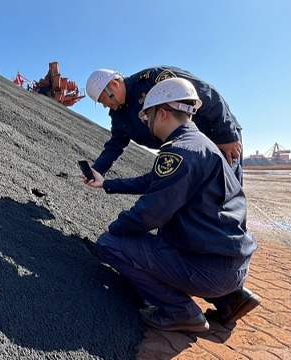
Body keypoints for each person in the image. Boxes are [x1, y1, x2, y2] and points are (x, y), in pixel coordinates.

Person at [81, 78, 260, 332]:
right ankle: (229, 301)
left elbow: (150, 214)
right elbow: (153, 181)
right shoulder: (201, 145)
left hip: (211, 268)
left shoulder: (179, 151)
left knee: (110, 244)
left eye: (147, 117)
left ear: (162, 113)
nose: (146, 124)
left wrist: (117, 226)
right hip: (231, 263)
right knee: (163, 243)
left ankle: (181, 312)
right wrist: (107, 184)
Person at [85, 66, 244, 184]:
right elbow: (115, 144)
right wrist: (97, 170)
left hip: (218, 137)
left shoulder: (153, 79)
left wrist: (227, 134)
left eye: (103, 99)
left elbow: (207, 94)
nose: (104, 105)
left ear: (113, 84)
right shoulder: (119, 115)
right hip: (185, 152)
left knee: (225, 194)